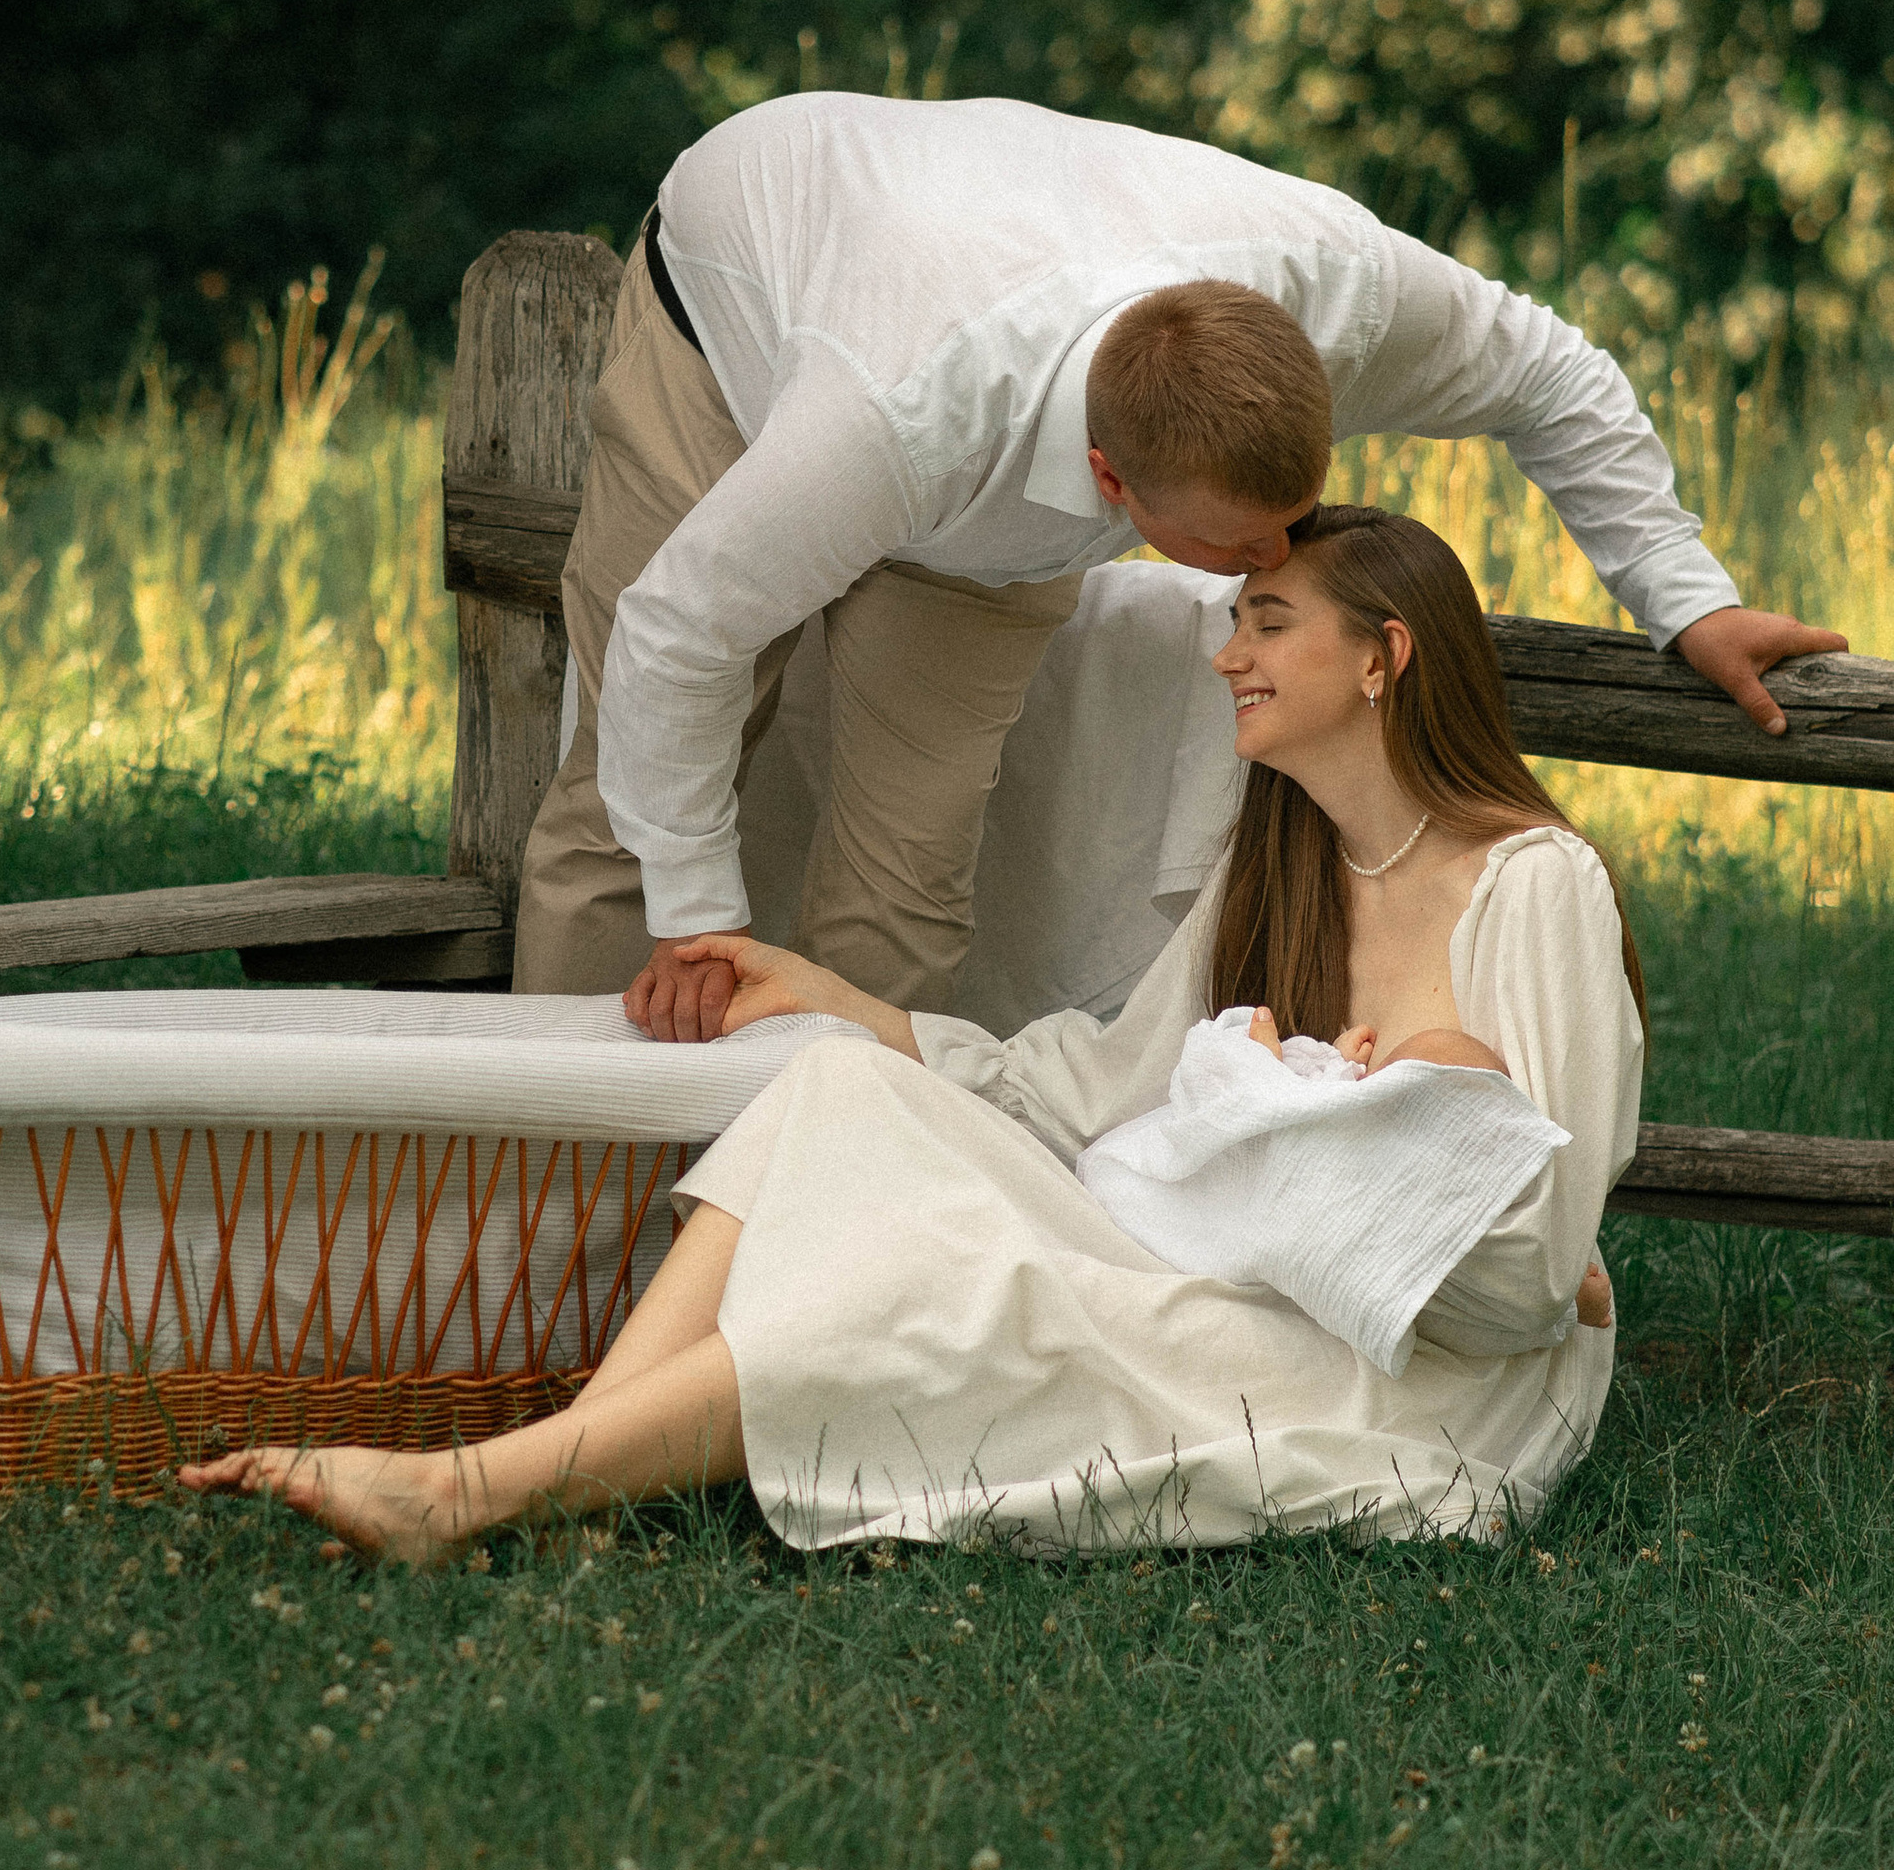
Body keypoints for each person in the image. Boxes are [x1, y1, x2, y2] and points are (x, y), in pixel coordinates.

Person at [189, 507, 1643, 1563]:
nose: (1227, 660)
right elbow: (1092, 1090)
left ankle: (469, 1494)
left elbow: (1525, 1270)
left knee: (967, 1296)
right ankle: (567, 1463)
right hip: (1223, 1266)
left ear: (1385, 655)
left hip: (1418, 1374)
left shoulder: (1531, 886)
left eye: (1267, 624)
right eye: (1231, 626)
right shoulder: (1275, 872)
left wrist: (1329, 1144)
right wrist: (835, 1003)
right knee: (835, 1097)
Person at [509, 89, 1840, 1040]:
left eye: (1293, 516)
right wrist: (694, 916)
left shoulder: (1345, 290)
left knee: (905, 874)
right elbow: (679, 630)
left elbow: (1555, 374)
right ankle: (537, 1234)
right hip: (750, 288)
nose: (1280, 564)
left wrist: (1690, 601)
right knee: (618, 827)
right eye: (1238, 547)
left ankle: (805, 1231)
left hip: (982, 409)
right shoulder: (883, 416)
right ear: (1114, 488)